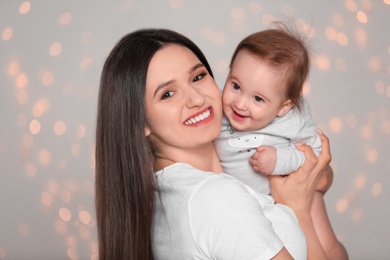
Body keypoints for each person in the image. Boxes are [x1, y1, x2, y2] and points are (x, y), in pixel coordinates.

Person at [95, 28, 343, 259]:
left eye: (198, 76)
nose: (196, 98)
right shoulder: (217, 199)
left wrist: (320, 178)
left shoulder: (166, 191)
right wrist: (297, 208)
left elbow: (318, 174)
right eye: (167, 94)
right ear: (140, 122)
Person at [215, 23, 348, 259]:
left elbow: (313, 153)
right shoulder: (217, 112)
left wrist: (280, 160)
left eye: (258, 98)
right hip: (263, 203)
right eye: (236, 86)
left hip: (295, 188)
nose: (240, 103)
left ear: (283, 106)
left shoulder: (292, 119)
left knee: (327, 245)